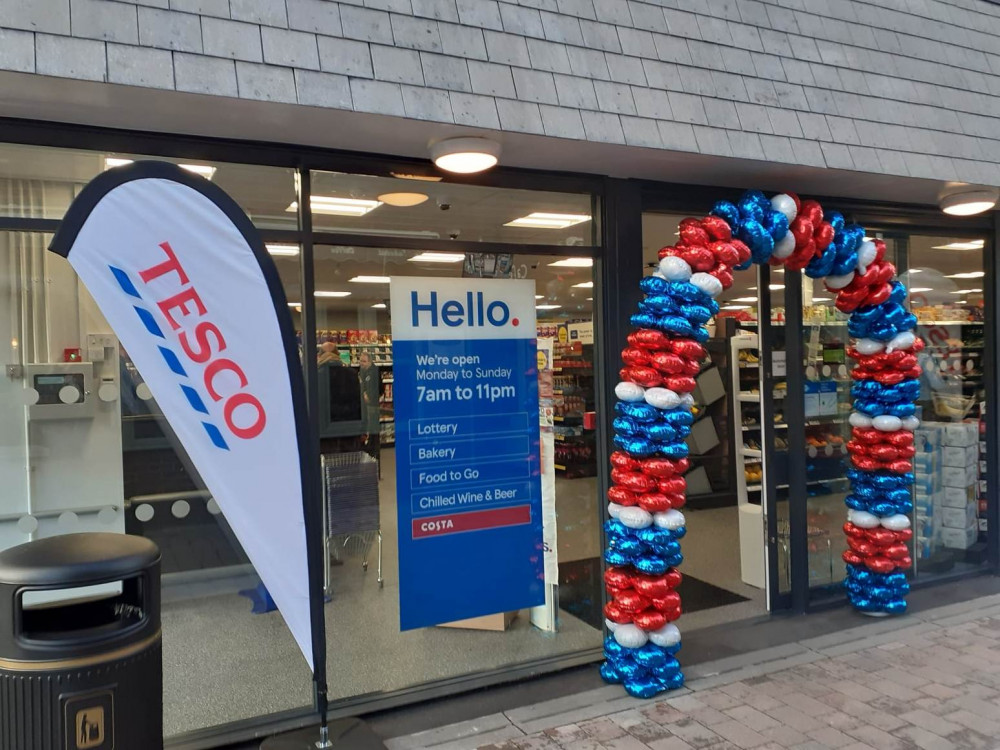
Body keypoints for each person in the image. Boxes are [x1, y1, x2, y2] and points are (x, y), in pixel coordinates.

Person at [358, 351, 381, 466]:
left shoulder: (374, 372)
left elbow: (378, 389)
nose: (361, 363)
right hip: (365, 407)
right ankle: (369, 452)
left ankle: (374, 454)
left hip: (372, 407)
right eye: (360, 360)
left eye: (364, 361)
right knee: (367, 429)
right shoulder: (362, 371)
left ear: (370, 361)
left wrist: (370, 397)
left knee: (373, 431)